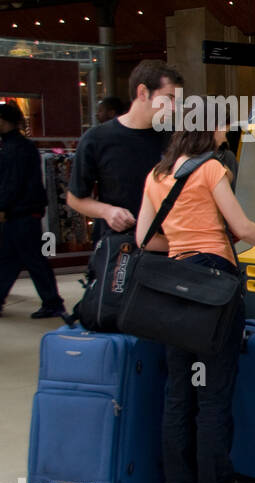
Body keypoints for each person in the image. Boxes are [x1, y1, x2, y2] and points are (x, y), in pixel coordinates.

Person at [135, 127, 255, 483]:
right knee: (213, 395)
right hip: (214, 284)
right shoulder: (212, 170)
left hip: (175, 287)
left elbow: (145, 238)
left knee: (179, 392)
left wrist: (183, 245)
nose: (224, 132)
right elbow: (243, 228)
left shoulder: (156, 174)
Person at [69, 61, 179, 243]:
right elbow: (75, 198)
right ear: (142, 92)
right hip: (119, 248)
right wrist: (107, 211)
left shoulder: (175, 138)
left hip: (167, 247)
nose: (173, 107)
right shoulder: (97, 139)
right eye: (168, 98)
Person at [0, 102, 65, 318]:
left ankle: (53, 302)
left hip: (21, 211)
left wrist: (2, 206)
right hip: (24, 211)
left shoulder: (14, 149)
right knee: (12, 258)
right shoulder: (20, 146)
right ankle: (51, 301)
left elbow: (11, 183)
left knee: (30, 259)